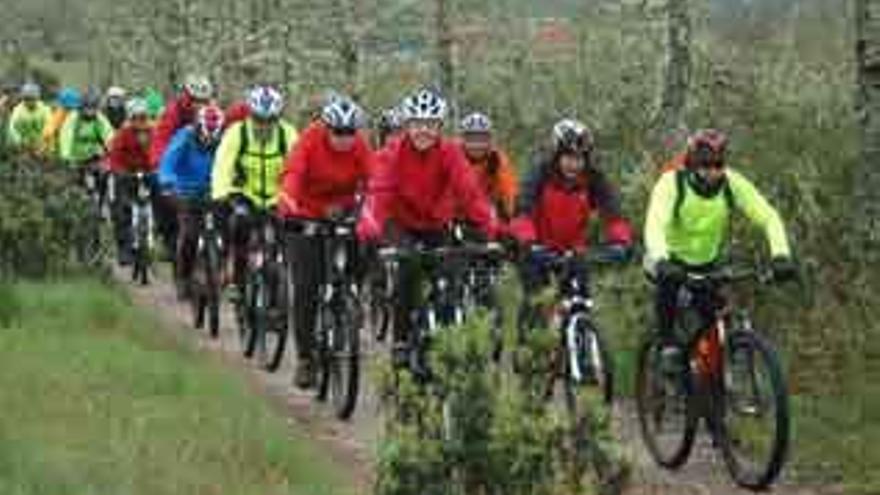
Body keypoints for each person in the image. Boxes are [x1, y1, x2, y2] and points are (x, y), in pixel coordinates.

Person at [356, 88, 499, 362]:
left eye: (431, 125)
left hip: (436, 225)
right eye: (418, 124)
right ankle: (400, 342)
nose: (424, 131)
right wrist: (371, 231)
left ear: (440, 127)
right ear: (408, 125)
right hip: (400, 224)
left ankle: (447, 337)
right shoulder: (392, 152)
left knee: (453, 273)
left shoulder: (449, 153)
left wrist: (491, 234)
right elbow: (379, 194)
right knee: (408, 267)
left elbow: (470, 194)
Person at [643, 129, 797, 344]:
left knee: (715, 322)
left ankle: (714, 370)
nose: (712, 171)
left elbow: (768, 217)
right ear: (692, 163)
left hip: (706, 264)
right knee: (667, 296)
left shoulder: (732, 184)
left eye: (718, 165)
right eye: (705, 164)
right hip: (668, 262)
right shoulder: (672, 183)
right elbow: (655, 224)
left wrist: (781, 254)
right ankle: (666, 347)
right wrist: (661, 260)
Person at [278, 94, 375, 388]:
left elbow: (376, 181)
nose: (344, 139)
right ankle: (306, 358)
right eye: (338, 132)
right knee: (306, 287)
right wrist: (288, 205)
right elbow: (293, 173)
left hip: (343, 214)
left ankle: (352, 298)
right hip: (306, 215)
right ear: (327, 127)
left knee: (365, 246)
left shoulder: (359, 146)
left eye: (350, 132)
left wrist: (373, 213)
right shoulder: (310, 140)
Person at [510, 118, 634, 338]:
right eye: (568, 157)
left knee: (581, 304)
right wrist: (528, 242)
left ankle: (583, 348)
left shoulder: (593, 178)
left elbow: (614, 214)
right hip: (538, 251)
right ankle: (531, 359)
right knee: (539, 306)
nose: (574, 164)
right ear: (557, 156)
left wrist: (621, 242)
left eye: (579, 158)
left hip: (574, 253)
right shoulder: (540, 175)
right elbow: (522, 212)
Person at [211, 84, 298, 295]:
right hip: (244, 194)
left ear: (278, 118)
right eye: (259, 120)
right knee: (239, 225)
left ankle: (285, 284)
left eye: (270, 121)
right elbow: (222, 166)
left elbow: (299, 169)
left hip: (278, 196)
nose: (264, 126)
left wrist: (297, 199)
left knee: (291, 234)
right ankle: (237, 282)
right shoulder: (237, 133)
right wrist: (222, 195)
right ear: (251, 115)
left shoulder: (288, 134)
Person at [159, 105, 225, 299]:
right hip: (185, 191)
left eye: (216, 132)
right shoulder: (185, 136)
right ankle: (183, 276)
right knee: (189, 234)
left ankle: (224, 274)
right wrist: (167, 182)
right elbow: (169, 160)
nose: (212, 137)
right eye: (209, 131)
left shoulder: (225, 140)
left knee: (230, 229)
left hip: (215, 191)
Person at [106, 97, 156, 265]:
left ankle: (163, 239)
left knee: (164, 201)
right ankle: (123, 248)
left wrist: (159, 170)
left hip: (149, 173)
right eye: (136, 118)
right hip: (126, 174)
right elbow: (114, 157)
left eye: (143, 118)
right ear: (130, 118)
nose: (140, 122)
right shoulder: (123, 133)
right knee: (121, 209)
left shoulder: (153, 132)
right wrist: (118, 171)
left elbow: (160, 153)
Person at [458, 111, 518, 221]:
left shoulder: (497, 159)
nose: (476, 145)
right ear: (463, 139)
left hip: (487, 212)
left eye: (481, 139)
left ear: (489, 140)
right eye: (471, 139)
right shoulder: (454, 156)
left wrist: (509, 215)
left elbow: (509, 192)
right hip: (459, 212)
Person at [7, 82, 52, 155]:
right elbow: (12, 128)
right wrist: (19, 141)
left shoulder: (45, 109)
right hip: (24, 144)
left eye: (32, 99)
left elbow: (49, 126)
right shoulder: (18, 110)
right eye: (26, 99)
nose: (29, 102)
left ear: (37, 98)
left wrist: (43, 143)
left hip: (42, 144)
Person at [41, 86, 81, 158]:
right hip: (58, 145)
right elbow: (49, 129)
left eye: (72, 108)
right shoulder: (59, 114)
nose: (70, 110)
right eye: (67, 107)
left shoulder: (77, 115)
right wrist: (48, 147)